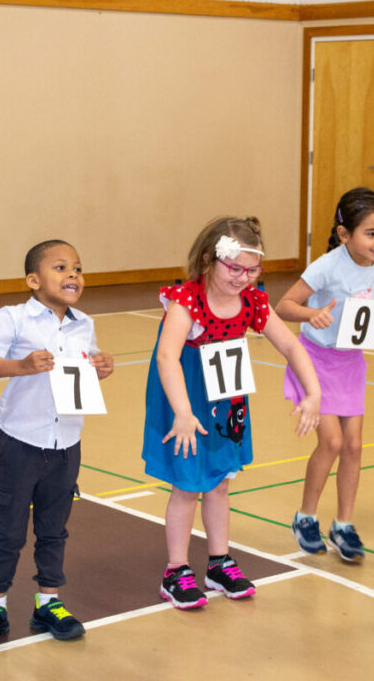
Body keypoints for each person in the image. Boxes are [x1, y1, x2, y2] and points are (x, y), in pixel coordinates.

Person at [143, 217, 321, 609]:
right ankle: (176, 570)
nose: (243, 278)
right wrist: (182, 412)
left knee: (221, 482)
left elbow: (291, 346)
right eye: (235, 269)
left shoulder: (254, 301)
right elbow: (167, 357)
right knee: (187, 486)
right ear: (210, 260)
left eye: (252, 270)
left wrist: (314, 393)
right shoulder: (186, 300)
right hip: (186, 401)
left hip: (226, 403)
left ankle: (219, 561)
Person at [0, 240, 113, 646]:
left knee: (53, 529)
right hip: (20, 442)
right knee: (8, 529)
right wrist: (20, 366)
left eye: (78, 268)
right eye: (61, 267)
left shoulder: (84, 324)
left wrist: (102, 366)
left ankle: (48, 601)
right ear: (33, 280)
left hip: (66, 445)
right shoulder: (13, 318)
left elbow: (85, 369)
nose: (73, 275)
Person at [277, 188, 374, 563]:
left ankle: (343, 525)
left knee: (353, 446)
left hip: (350, 363)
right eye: (371, 233)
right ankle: (305, 517)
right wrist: (311, 314)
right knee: (330, 442)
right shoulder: (326, 266)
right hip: (315, 361)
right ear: (345, 234)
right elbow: (283, 306)